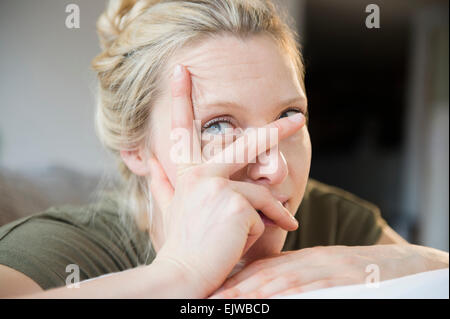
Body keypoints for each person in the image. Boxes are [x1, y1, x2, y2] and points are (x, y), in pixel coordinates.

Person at [0, 0, 448, 299]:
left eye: (287, 118)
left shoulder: (332, 216)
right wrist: (178, 273)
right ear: (135, 148)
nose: (273, 167)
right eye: (218, 124)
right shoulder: (67, 248)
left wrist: (405, 261)